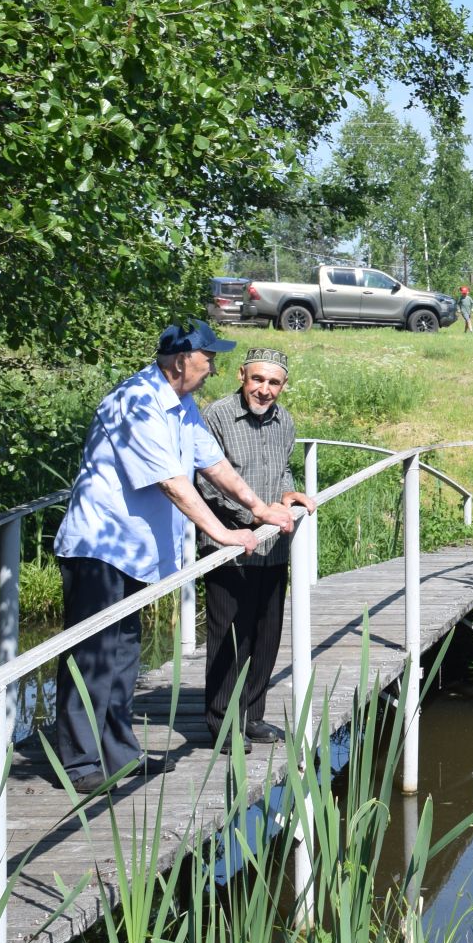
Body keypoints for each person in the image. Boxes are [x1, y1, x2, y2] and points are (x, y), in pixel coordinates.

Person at [49, 321, 295, 788]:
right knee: (90, 656)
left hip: (131, 551)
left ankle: (119, 752)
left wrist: (261, 507)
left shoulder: (181, 405)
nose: (214, 368)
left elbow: (213, 464)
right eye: (209, 358)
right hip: (98, 547)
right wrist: (222, 532)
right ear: (183, 360)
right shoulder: (136, 402)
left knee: (122, 653)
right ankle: (80, 763)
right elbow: (172, 482)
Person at [196, 346, 315, 749]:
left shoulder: (285, 422)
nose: (264, 390)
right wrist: (251, 516)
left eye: (274, 382)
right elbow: (206, 481)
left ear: (283, 386)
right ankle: (222, 722)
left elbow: (281, 467)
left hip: (272, 546)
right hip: (227, 544)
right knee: (231, 634)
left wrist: (288, 496)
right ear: (242, 375)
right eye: (258, 379)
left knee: (267, 633)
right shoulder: (217, 416)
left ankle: (252, 714)